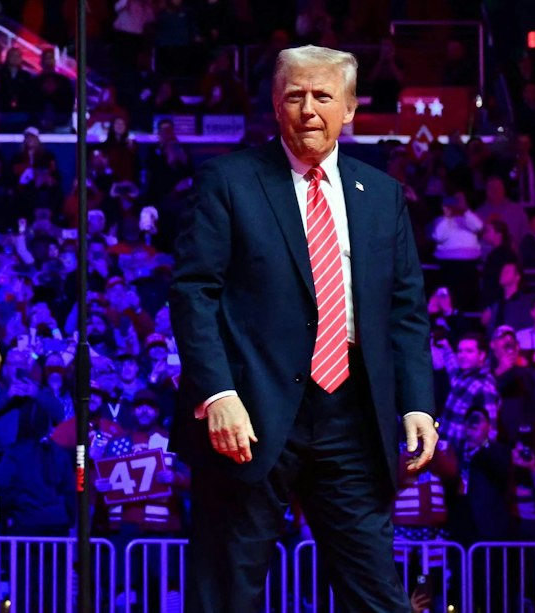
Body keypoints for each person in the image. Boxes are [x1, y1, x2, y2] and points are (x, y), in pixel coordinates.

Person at [169, 45, 436, 613]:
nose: (309, 109)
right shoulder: (228, 180)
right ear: (275, 103)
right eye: (295, 95)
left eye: (322, 96)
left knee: (378, 596)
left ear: (351, 108)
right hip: (249, 417)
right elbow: (194, 293)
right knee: (226, 595)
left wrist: (417, 404)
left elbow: (406, 309)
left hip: (352, 419)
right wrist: (218, 394)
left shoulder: (382, 195)